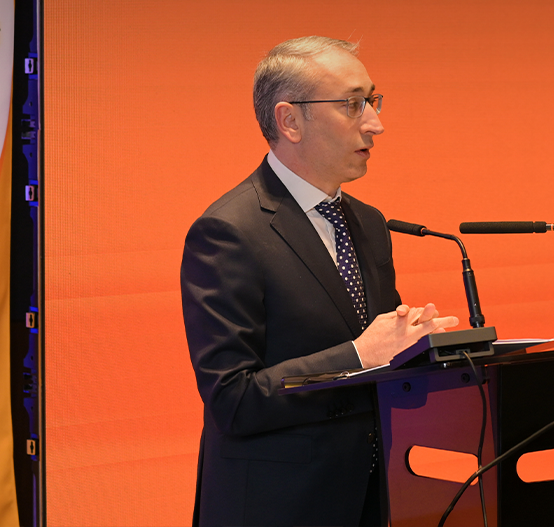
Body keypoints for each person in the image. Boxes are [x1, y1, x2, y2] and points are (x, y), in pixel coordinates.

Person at [181, 36, 458, 527]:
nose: (375, 123)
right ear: (290, 121)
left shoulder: (368, 222)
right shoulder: (229, 231)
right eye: (353, 104)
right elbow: (232, 400)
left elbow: (381, 362)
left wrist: (425, 350)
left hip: (373, 500)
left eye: (372, 100)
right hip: (277, 508)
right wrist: (358, 355)